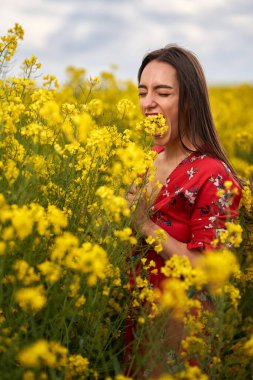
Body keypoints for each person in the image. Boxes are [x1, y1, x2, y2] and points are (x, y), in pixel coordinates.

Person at [124, 44, 242, 377]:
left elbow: (208, 271)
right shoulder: (145, 160)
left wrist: (143, 224)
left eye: (162, 92)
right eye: (143, 92)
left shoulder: (213, 174)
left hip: (178, 335)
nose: (148, 103)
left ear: (189, 101)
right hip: (133, 323)